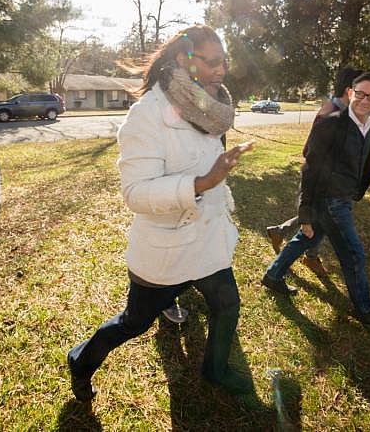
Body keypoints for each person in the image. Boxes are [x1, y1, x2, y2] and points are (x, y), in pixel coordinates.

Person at [67, 25, 255, 403]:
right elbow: (135, 193)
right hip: (168, 249)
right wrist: (201, 182)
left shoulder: (210, 108)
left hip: (208, 242)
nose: (222, 70)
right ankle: (81, 361)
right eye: (214, 61)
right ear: (186, 60)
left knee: (228, 305)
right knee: (134, 323)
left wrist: (216, 176)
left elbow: (206, 160)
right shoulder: (146, 114)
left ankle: (215, 370)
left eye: (225, 61)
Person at [261, 72, 370, 330]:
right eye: (360, 94)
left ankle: (272, 275)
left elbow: (367, 159)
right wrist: (305, 212)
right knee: (354, 254)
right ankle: (365, 308)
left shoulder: (369, 126)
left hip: (344, 198)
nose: (365, 100)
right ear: (350, 93)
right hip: (330, 201)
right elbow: (309, 168)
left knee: (308, 238)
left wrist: (357, 190)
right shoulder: (331, 123)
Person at [264, 67, 363, 277]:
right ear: (349, 91)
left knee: (316, 226)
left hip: (331, 185)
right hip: (321, 183)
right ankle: (282, 269)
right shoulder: (334, 113)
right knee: (316, 226)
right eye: (361, 91)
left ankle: (288, 245)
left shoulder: (345, 113)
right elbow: (312, 155)